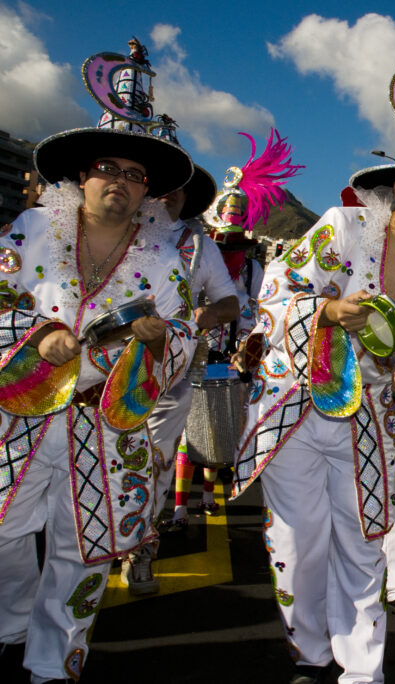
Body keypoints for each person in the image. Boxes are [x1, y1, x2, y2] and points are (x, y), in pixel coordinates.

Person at [232, 36, 395, 684]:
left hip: (375, 423)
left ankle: (362, 672)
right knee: (296, 546)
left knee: (363, 546)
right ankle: (311, 654)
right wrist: (326, 312)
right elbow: (274, 296)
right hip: (297, 410)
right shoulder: (342, 228)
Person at [0, 41, 197, 682]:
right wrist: (36, 335)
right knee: (2, 532)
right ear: (81, 177)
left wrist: (158, 340)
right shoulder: (29, 233)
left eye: (134, 174)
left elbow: (186, 335)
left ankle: (53, 665)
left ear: (147, 190)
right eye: (107, 168)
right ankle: (11, 623)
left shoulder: (165, 260)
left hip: (106, 425)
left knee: (82, 553)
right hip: (21, 415)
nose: (120, 181)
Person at [169, 131, 295, 530]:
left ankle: (208, 496)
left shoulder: (254, 271)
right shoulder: (196, 261)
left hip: (231, 359)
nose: (230, 255)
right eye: (224, 247)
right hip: (190, 353)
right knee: (188, 434)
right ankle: (178, 506)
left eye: (236, 247)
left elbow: (260, 314)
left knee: (218, 427)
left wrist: (249, 347)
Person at [124, 161, 238, 595]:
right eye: (162, 183)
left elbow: (230, 303)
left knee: (154, 464)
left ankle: (140, 549)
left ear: (188, 198)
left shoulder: (199, 246)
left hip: (168, 378)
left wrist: (208, 313)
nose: (170, 192)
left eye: (180, 187)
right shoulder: (119, 230)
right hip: (98, 375)